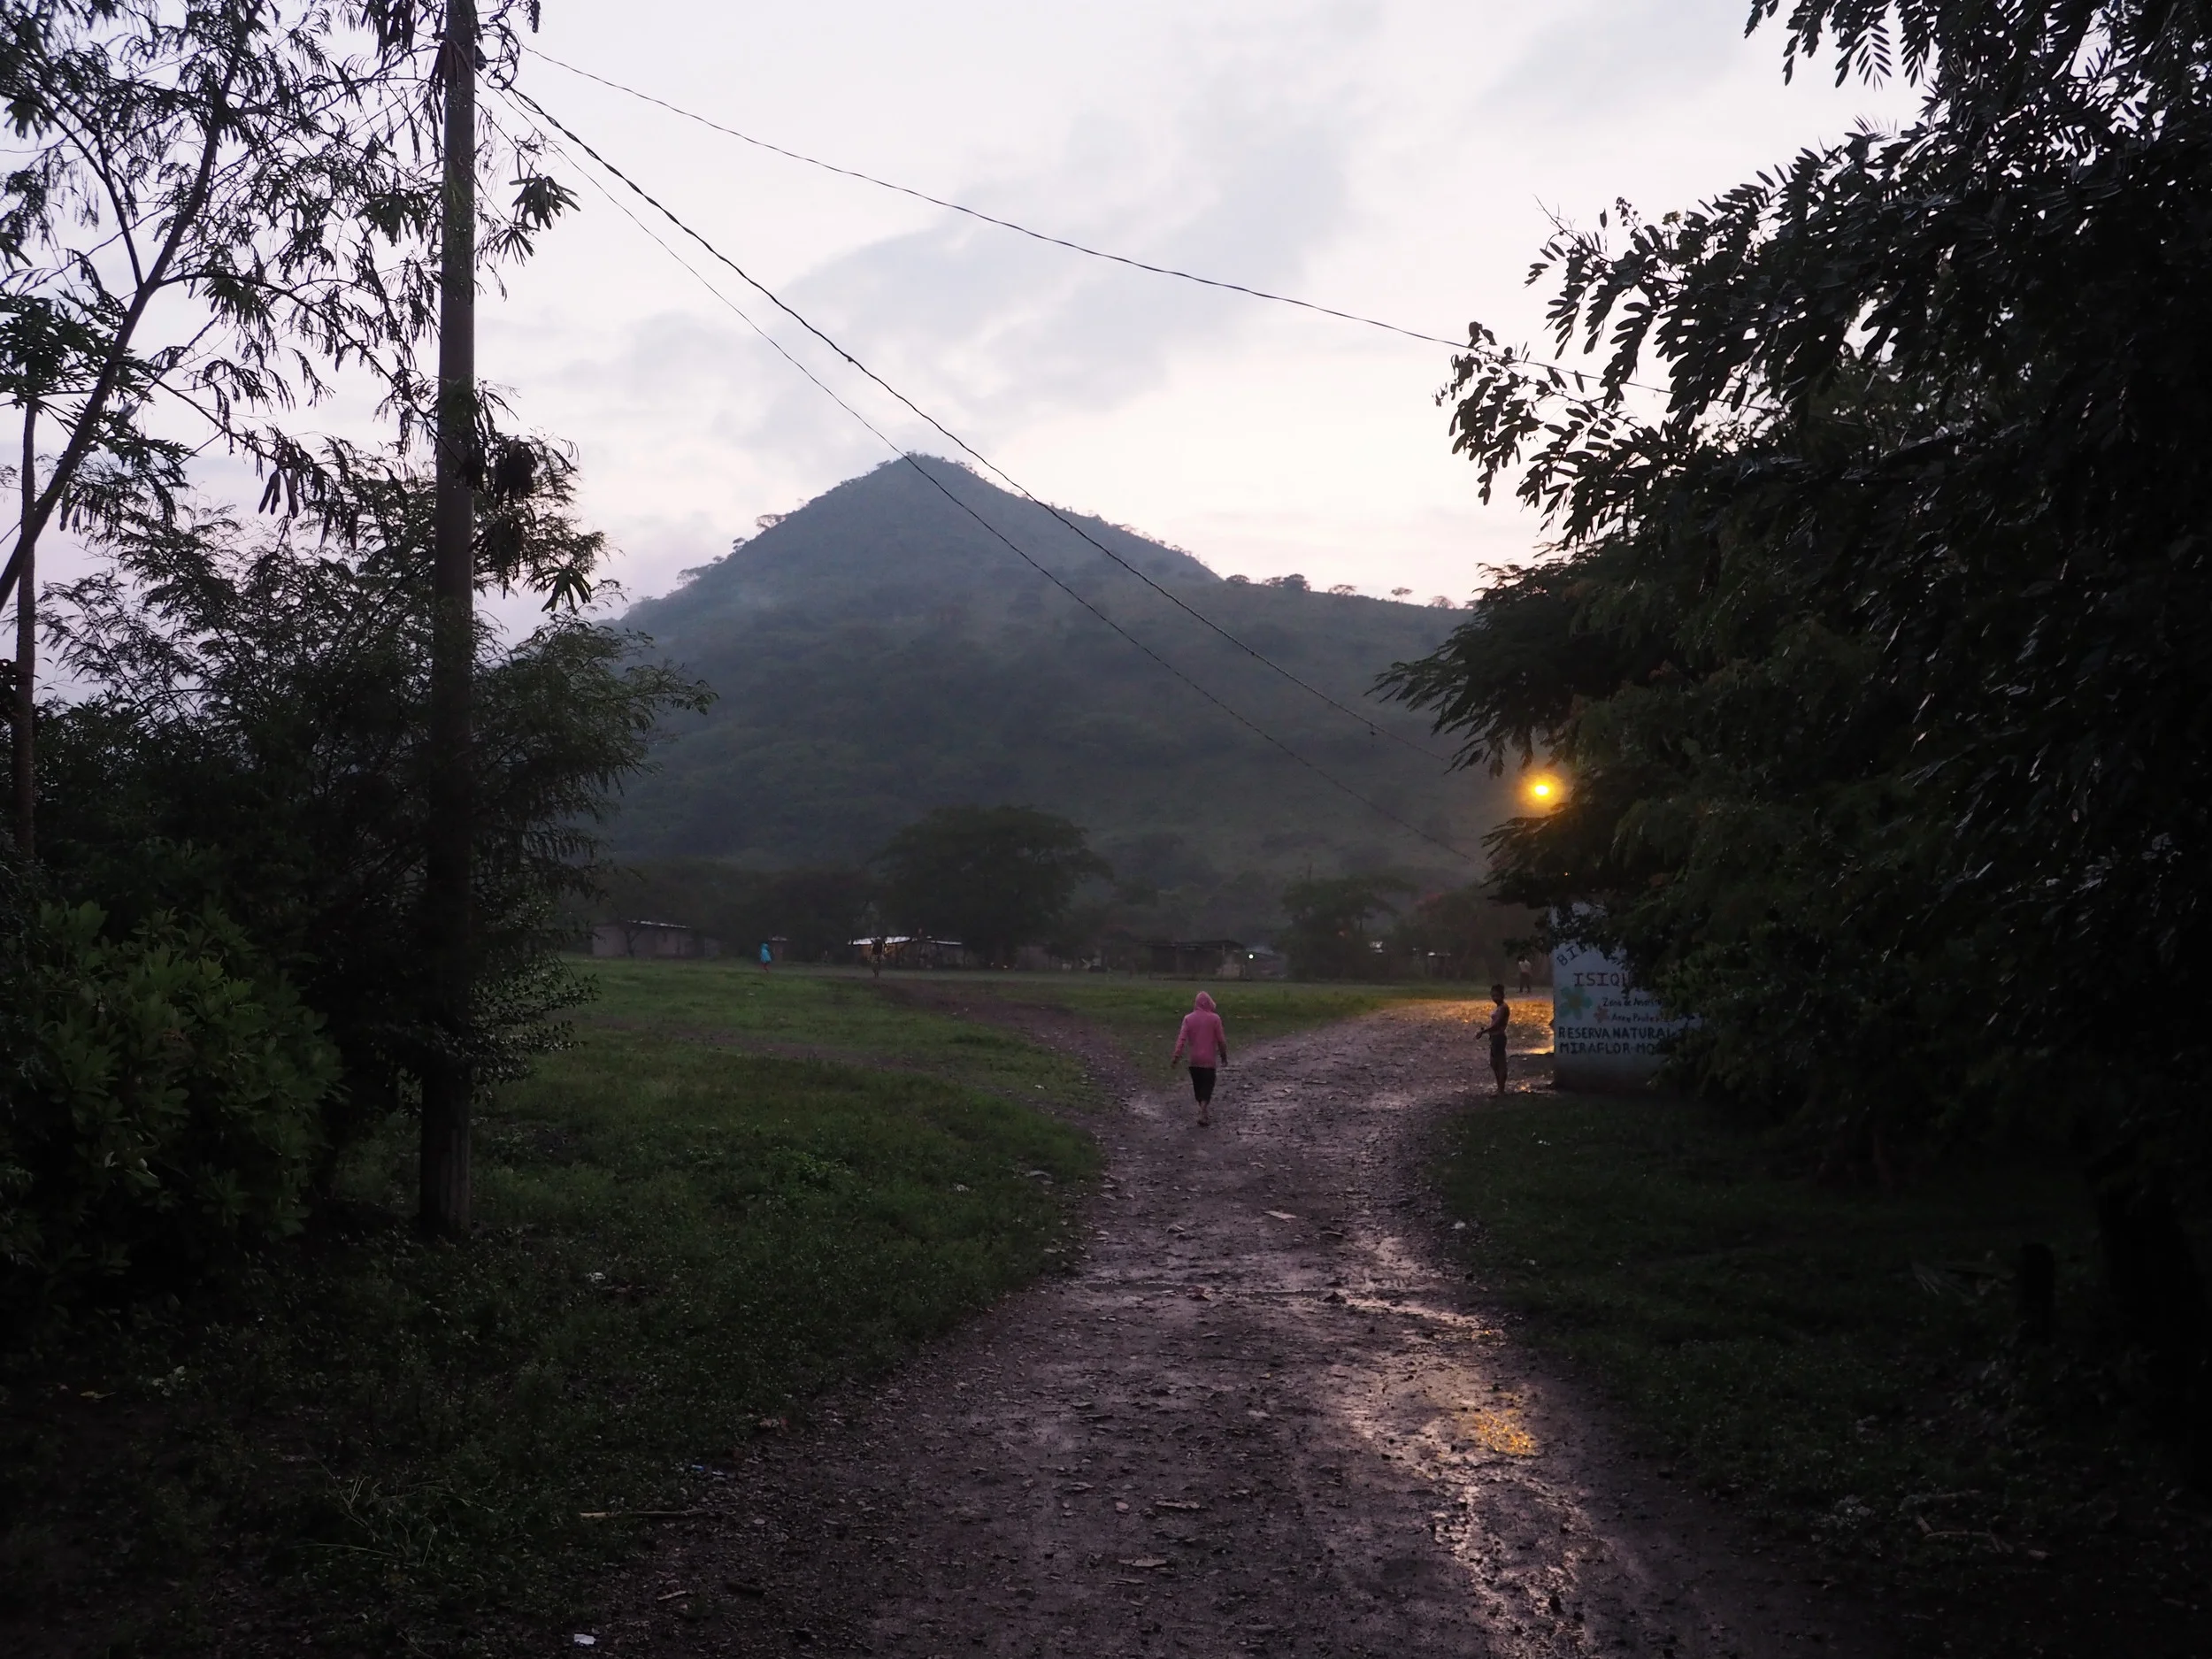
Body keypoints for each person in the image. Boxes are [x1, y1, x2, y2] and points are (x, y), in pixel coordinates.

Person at [1171, 990, 1230, 1127]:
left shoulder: (1188, 1019)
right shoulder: (1215, 1019)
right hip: (1209, 1062)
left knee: (1198, 1087)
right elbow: (1221, 1040)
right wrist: (1223, 1056)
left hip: (1194, 1061)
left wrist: (1176, 1056)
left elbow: (1181, 1040)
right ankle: (1203, 1110)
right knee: (1207, 1087)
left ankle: (1203, 1109)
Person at [1484, 982, 1510, 1095]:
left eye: (1497, 996)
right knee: (1494, 1063)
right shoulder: (1499, 1007)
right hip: (1495, 1036)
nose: (1494, 998)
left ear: (1502, 995)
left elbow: (1497, 1024)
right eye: (1493, 996)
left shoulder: (1503, 1008)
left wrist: (1483, 1031)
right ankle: (1500, 1087)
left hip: (1499, 1036)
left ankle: (1501, 1089)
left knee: (1499, 1063)